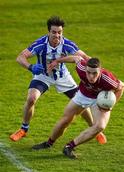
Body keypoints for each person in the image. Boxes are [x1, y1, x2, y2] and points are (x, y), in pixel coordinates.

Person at [10, 16, 106, 144]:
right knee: (31, 98)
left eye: (59, 32)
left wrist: (100, 72)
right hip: (43, 75)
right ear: (48, 32)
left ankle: (94, 129)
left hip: (63, 77)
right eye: (54, 32)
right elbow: (20, 57)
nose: (57, 35)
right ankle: (23, 129)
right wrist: (31, 67)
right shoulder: (40, 44)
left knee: (82, 103)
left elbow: (84, 57)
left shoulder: (67, 44)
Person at [32, 57, 124, 159]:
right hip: (82, 95)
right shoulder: (81, 67)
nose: (91, 76)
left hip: (99, 100)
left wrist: (110, 105)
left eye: (95, 73)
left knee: (100, 126)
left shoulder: (108, 79)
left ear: (100, 70)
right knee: (65, 120)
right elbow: (76, 58)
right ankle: (48, 143)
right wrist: (58, 61)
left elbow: (121, 86)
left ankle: (69, 146)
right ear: (85, 69)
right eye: (88, 72)